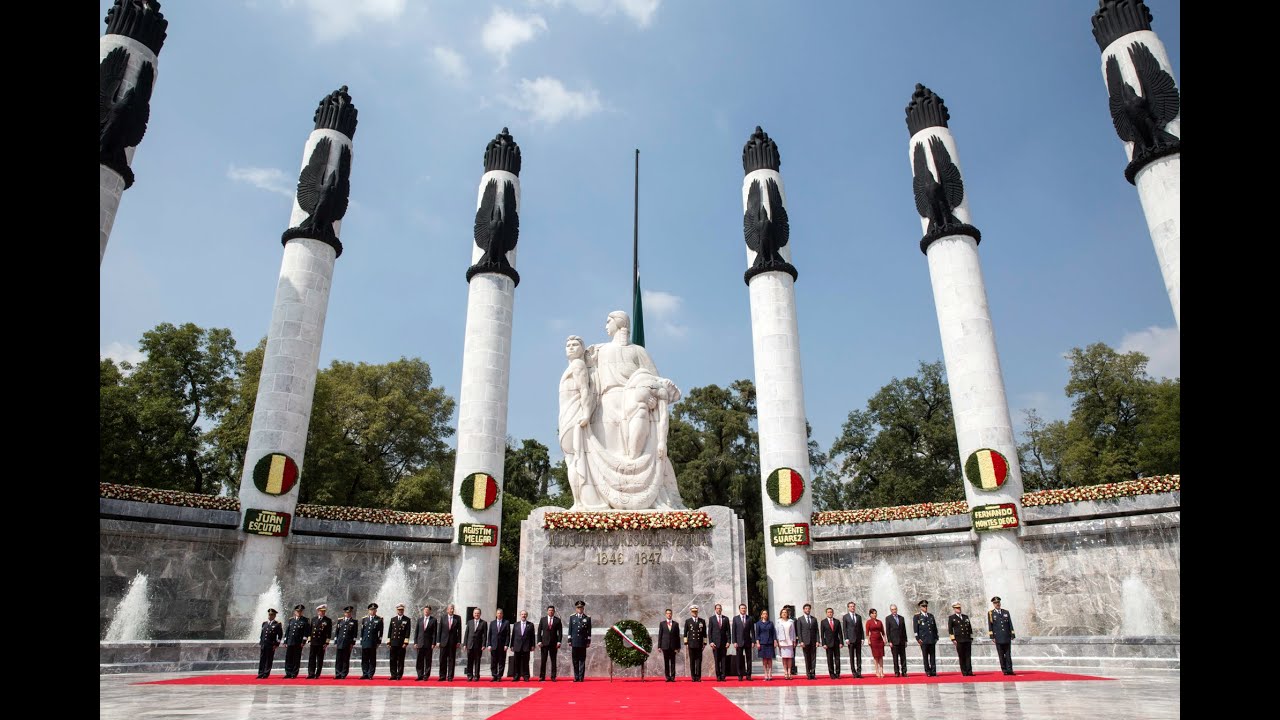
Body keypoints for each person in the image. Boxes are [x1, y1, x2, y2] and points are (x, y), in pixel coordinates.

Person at [987, 596, 1016, 676]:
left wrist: (1012, 633)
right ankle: (1004, 670)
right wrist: (992, 637)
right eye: (995, 603)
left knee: (1008, 654)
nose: (997, 604)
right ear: (993, 604)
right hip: (998, 637)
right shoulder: (991, 613)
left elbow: (1010, 623)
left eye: (998, 603)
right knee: (1001, 655)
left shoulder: (1006, 612)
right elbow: (990, 626)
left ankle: (1010, 670)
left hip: (1006, 636)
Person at [283, 604, 311, 679]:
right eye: (298, 611)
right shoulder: (291, 620)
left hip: (298, 642)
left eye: (300, 611)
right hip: (290, 641)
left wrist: (303, 642)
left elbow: (306, 632)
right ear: (295, 612)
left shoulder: (305, 620)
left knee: (296, 658)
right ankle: (288, 672)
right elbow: (287, 631)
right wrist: (285, 641)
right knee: (288, 657)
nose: (299, 612)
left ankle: (294, 673)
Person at [913, 600, 938, 677]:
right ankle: (927, 671)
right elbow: (915, 629)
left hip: (931, 639)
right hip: (923, 640)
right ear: (920, 607)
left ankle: (933, 671)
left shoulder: (931, 616)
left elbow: (934, 628)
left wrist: (936, 637)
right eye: (923, 606)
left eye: (926, 606)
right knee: (925, 656)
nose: (925, 607)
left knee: (933, 656)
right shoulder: (917, 617)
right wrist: (917, 638)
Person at [306, 604, 333, 679]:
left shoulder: (327, 620)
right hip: (314, 641)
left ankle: (317, 674)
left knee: (320, 658)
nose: (323, 612)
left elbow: (329, 632)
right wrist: (309, 639)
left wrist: (326, 642)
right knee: (312, 658)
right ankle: (311, 673)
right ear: (318, 611)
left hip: (321, 642)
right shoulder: (314, 619)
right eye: (321, 611)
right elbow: (310, 630)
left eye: (324, 611)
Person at [948, 602, 974, 677]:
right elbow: (950, 629)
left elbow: (969, 628)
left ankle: (969, 671)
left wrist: (971, 637)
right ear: (954, 609)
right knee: (962, 656)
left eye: (959, 608)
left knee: (968, 656)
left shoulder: (965, 617)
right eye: (957, 608)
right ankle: (964, 671)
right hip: (959, 639)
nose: (958, 609)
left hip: (967, 639)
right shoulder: (952, 618)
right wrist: (953, 639)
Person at [359, 603, 384, 680]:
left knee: (372, 659)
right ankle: (365, 673)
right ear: (368, 610)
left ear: (376, 611)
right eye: (371, 610)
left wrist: (378, 642)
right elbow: (362, 631)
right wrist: (361, 640)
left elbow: (381, 632)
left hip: (373, 642)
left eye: (374, 610)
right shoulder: (364, 619)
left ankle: (370, 674)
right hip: (365, 641)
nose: (372, 611)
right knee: (364, 658)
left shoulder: (379, 619)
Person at [437, 603, 461, 681]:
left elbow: (459, 631)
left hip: (452, 642)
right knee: (442, 659)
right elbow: (439, 630)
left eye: (453, 608)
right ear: (447, 610)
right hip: (443, 642)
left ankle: (450, 676)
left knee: (451, 660)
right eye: (450, 608)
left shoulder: (457, 618)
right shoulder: (443, 617)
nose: (452, 610)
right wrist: (438, 641)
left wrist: (459, 641)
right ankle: (442, 676)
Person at [537, 604, 562, 681]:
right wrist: (539, 641)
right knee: (543, 660)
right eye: (549, 610)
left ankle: (553, 676)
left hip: (553, 643)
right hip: (544, 643)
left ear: (554, 611)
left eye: (552, 610)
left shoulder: (557, 620)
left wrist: (559, 641)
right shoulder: (543, 619)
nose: (551, 612)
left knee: (553, 660)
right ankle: (542, 676)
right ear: (547, 611)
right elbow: (539, 631)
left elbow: (560, 632)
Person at [568, 600, 592, 682]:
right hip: (574, 641)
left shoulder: (587, 618)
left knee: (582, 660)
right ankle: (576, 677)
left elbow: (589, 631)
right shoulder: (572, 617)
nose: (580, 609)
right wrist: (569, 640)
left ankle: (581, 677)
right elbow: (570, 629)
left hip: (583, 642)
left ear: (583, 608)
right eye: (578, 608)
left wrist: (588, 641)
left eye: (581, 608)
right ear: (576, 609)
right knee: (575, 660)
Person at [707, 603, 731, 682]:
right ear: (715, 609)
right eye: (717, 608)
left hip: (724, 643)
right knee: (717, 660)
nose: (719, 610)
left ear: (721, 609)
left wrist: (728, 641)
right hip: (715, 644)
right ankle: (718, 676)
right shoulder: (712, 619)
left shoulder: (725, 619)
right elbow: (710, 632)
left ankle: (723, 676)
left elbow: (728, 631)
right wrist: (710, 642)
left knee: (723, 660)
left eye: (720, 608)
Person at [387, 603, 412, 680]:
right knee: (392, 659)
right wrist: (388, 642)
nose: (400, 611)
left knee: (400, 660)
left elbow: (408, 632)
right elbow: (390, 631)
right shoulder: (393, 619)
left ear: (403, 610)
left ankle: (399, 675)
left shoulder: (407, 619)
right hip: (393, 642)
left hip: (401, 643)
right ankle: (393, 674)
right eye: (399, 610)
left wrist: (406, 642)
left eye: (402, 610)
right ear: (397, 610)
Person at [332, 605, 358, 679]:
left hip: (347, 643)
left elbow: (354, 634)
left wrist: (352, 643)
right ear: (344, 613)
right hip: (340, 642)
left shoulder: (354, 622)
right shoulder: (340, 621)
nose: (348, 614)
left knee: (345, 659)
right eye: (347, 613)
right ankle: (338, 673)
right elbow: (337, 632)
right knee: (338, 659)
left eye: (349, 613)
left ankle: (344, 673)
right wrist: (336, 642)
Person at [413, 605, 437, 681]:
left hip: (429, 643)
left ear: (430, 611)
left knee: (428, 660)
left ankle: (426, 675)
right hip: (420, 643)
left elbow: (434, 633)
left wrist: (433, 643)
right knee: (419, 660)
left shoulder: (433, 620)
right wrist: (415, 642)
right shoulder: (419, 620)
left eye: (427, 610)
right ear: (423, 611)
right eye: (425, 610)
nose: (426, 611)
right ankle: (420, 675)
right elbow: (416, 632)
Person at [256, 608, 282, 679]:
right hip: (264, 644)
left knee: (268, 659)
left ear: (274, 616)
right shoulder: (264, 623)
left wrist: (276, 644)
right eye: (269, 615)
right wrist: (261, 642)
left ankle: (266, 673)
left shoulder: (277, 624)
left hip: (271, 645)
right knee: (262, 659)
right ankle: (260, 673)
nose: (270, 616)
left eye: (272, 615)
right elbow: (262, 634)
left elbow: (280, 636)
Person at [795, 603, 818, 680]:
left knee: (813, 657)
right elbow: (799, 631)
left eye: (808, 609)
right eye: (806, 609)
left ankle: (813, 673)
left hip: (813, 641)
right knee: (807, 657)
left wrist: (817, 641)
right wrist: (801, 641)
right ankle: (808, 673)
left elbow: (817, 631)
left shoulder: (814, 619)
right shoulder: (800, 619)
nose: (807, 610)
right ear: (804, 610)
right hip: (805, 641)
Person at [463, 607, 487, 681]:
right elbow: (466, 634)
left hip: (478, 645)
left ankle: (476, 676)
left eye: (478, 613)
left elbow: (484, 635)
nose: (476, 614)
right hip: (470, 644)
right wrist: (464, 644)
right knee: (469, 661)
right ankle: (469, 675)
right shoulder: (469, 622)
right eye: (475, 613)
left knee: (477, 661)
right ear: (473, 614)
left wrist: (483, 645)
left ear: (480, 614)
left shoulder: (484, 623)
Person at [684, 605, 707, 682]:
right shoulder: (688, 621)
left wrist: (704, 643)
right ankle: (693, 677)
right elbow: (685, 633)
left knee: (699, 661)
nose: (694, 613)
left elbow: (704, 633)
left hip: (699, 644)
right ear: (691, 612)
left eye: (696, 611)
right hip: (691, 644)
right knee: (692, 661)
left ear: (697, 612)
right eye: (693, 612)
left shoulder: (702, 621)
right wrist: (686, 643)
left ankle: (698, 676)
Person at [885, 604, 908, 677]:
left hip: (901, 641)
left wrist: (905, 640)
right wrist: (889, 641)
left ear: (897, 609)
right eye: (892, 609)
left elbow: (904, 630)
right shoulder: (888, 618)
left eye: (895, 609)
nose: (894, 611)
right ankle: (896, 672)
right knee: (895, 658)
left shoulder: (901, 618)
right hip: (894, 641)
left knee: (903, 657)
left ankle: (904, 672)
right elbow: (887, 630)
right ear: (890, 610)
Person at [732, 603, 755, 680]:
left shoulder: (750, 618)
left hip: (748, 642)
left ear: (746, 609)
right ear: (739, 609)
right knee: (739, 659)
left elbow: (752, 631)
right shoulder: (735, 619)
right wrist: (734, 642)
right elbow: (734, 631)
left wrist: (753, 641)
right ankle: (740, 675)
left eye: (744, 608)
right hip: (739, 642)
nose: (743, 610)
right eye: (742, 608)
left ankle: (748, 675)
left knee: (749, 659)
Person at [843, 601, 865, 679]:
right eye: (851, 606)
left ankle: (859, 672)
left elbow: (861, 628)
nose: (852, 607)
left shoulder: (858, 617)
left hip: (858, 639)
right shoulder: (845, 617)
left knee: (859, 656)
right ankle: (854, 672)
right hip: (851, 639)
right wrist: (846, 638)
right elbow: (845, 628)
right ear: (848, 608)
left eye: (853, 606)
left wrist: (862, 638)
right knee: (852, 656)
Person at [657, 608, 680, 682]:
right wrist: (659, 646)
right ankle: (667, 677)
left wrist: (678, 647)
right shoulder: (662, 624)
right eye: (667, 613)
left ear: (672, 614)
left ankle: (673, 677)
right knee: (666, 662)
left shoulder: (676, 624)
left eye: (670, 613)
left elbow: (677, 636)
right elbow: (660, 635)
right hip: (665, 646)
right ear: (665, 614)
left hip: (673, 646)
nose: (669, 614)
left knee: (673, 662)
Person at [819, 607, 842, 679]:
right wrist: (823, 643)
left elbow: (840, 633)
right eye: (828, 612)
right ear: (826, 613)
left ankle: (838, 673)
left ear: (833, 613)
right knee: (830, 659)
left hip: (836, 643)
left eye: (831, 612)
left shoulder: (837, 621)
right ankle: (831, 673)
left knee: (837, 658)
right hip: (828, 643)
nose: (830, 613)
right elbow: (822, 634)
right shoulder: (823, 622)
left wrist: (841, 642)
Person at [510, 610, 534, 681]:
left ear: (527, 616)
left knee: (526, 662)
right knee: (516, 662)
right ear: (520, 615)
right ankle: (516, 676)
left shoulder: (530, 625)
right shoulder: (516, 624)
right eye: (522, 614)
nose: (523, 615)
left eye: (525, 614)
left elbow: (532, 636)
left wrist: (532, 645)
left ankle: (526, 676)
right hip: (517, 646)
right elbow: (513, 635)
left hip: (526, 646)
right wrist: (512, 645)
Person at [753, 609, 776, 681]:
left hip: (770, 642)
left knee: (770, 659)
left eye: (766, 613)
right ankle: (765, 673)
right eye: (764, 614)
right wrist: (757, 642)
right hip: (762, 642)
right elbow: (757, 634)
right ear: (761, 615)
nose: (765, 615)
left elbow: (774, 633)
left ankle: (770, 673)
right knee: (764, 659)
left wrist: (775, 641)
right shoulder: (758, 623)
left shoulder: (771, 623)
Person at [488, 608, 511, 681]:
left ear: (502, 614)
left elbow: (508, 635)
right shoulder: (492, 623)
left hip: (502, 645)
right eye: (498, 613)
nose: (499, 615)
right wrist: (489, 645)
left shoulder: (506, 623)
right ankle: (494, 675)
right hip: (494, 645)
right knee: (493, 661)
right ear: (496, 614)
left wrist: (506, 644)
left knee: (501, 661)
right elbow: (490, 634)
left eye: (501, 613)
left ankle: (499, 676)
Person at [775, 606, 796, 680]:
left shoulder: (791, 621)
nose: (784, 614)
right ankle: (785, 672)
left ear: (787, 614)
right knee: (784, 658)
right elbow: (777, 632)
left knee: (790, 658)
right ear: (781, 614)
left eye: (785, 612)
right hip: (782, 641)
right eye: (783, 612)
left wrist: (794, 641)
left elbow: (793, 632)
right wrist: (777, 641)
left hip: (789, 641)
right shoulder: (778, 622)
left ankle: (790, 672)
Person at [865, 609, 886, 678]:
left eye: (875, 613)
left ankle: (881, 671)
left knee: (881, 656)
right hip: (873, 640)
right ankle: (876, 671)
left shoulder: (879, 622)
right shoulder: (868, 622)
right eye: (873, 613)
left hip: (880, 640)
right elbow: (867, 632)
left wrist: (884, 639)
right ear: (870, 614)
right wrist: (868, 640)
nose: (875, 614)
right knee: (876, 656)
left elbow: (883, 631)